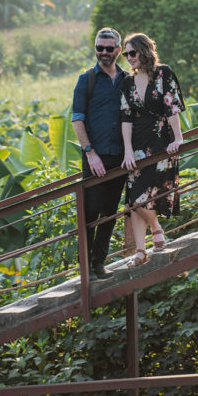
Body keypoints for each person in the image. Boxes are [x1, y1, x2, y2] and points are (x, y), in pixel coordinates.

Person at [120, 33, 185, 267]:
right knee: (134, 199)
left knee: (142, 198)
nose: (129, 58)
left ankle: (152, 237)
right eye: (126, 54)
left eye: (132, 53)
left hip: (161, 142)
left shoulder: (163, 73)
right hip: (137, 145)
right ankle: (143, 247)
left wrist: (178, 138)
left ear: (144, 51)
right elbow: (126, 117)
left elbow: (172, 107)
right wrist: (128, 150)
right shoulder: (127, 82)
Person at [71, 27, 131, 279]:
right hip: (94, 156)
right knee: (90, 211)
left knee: (110, 213)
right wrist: (89, 152)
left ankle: (99, 263)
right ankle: (85, 268)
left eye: (108, 48)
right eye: (99, 48)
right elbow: (77, 119)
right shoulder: (86, 79)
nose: (103, 53)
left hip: (120, 156)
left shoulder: (127, 79)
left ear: (118, 50)